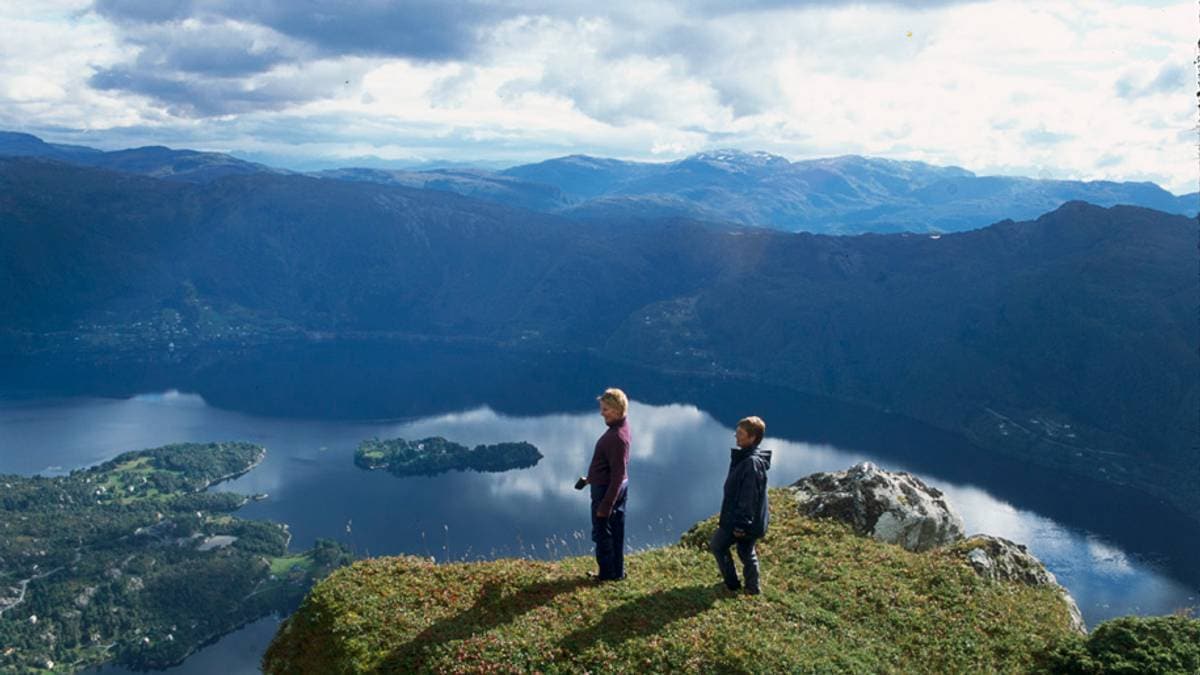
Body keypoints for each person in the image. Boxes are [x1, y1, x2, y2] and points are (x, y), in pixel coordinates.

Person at [710, 416, 772, 595]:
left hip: (742, 520)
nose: (736, 436)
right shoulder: (748, 457)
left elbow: (749, 496)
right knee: (745, 551)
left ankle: (733, 584)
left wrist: (741, 525)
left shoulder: (751, 463)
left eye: (740, 434)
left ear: (752, 438)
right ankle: (752, 587)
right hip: (747, 520)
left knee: (718, 545)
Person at [578, 387, 630, 582]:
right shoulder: (622, 428)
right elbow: (613, 468)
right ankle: (616, 572)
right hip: (615, 488)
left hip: (607, 492)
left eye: (605, 409)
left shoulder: (616, 438)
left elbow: (616, 475)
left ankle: (607, 575)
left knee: (603, 534)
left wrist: (605, 506)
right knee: (615, 532)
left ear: (617, 410)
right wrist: (591, 478)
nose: (601, 413)